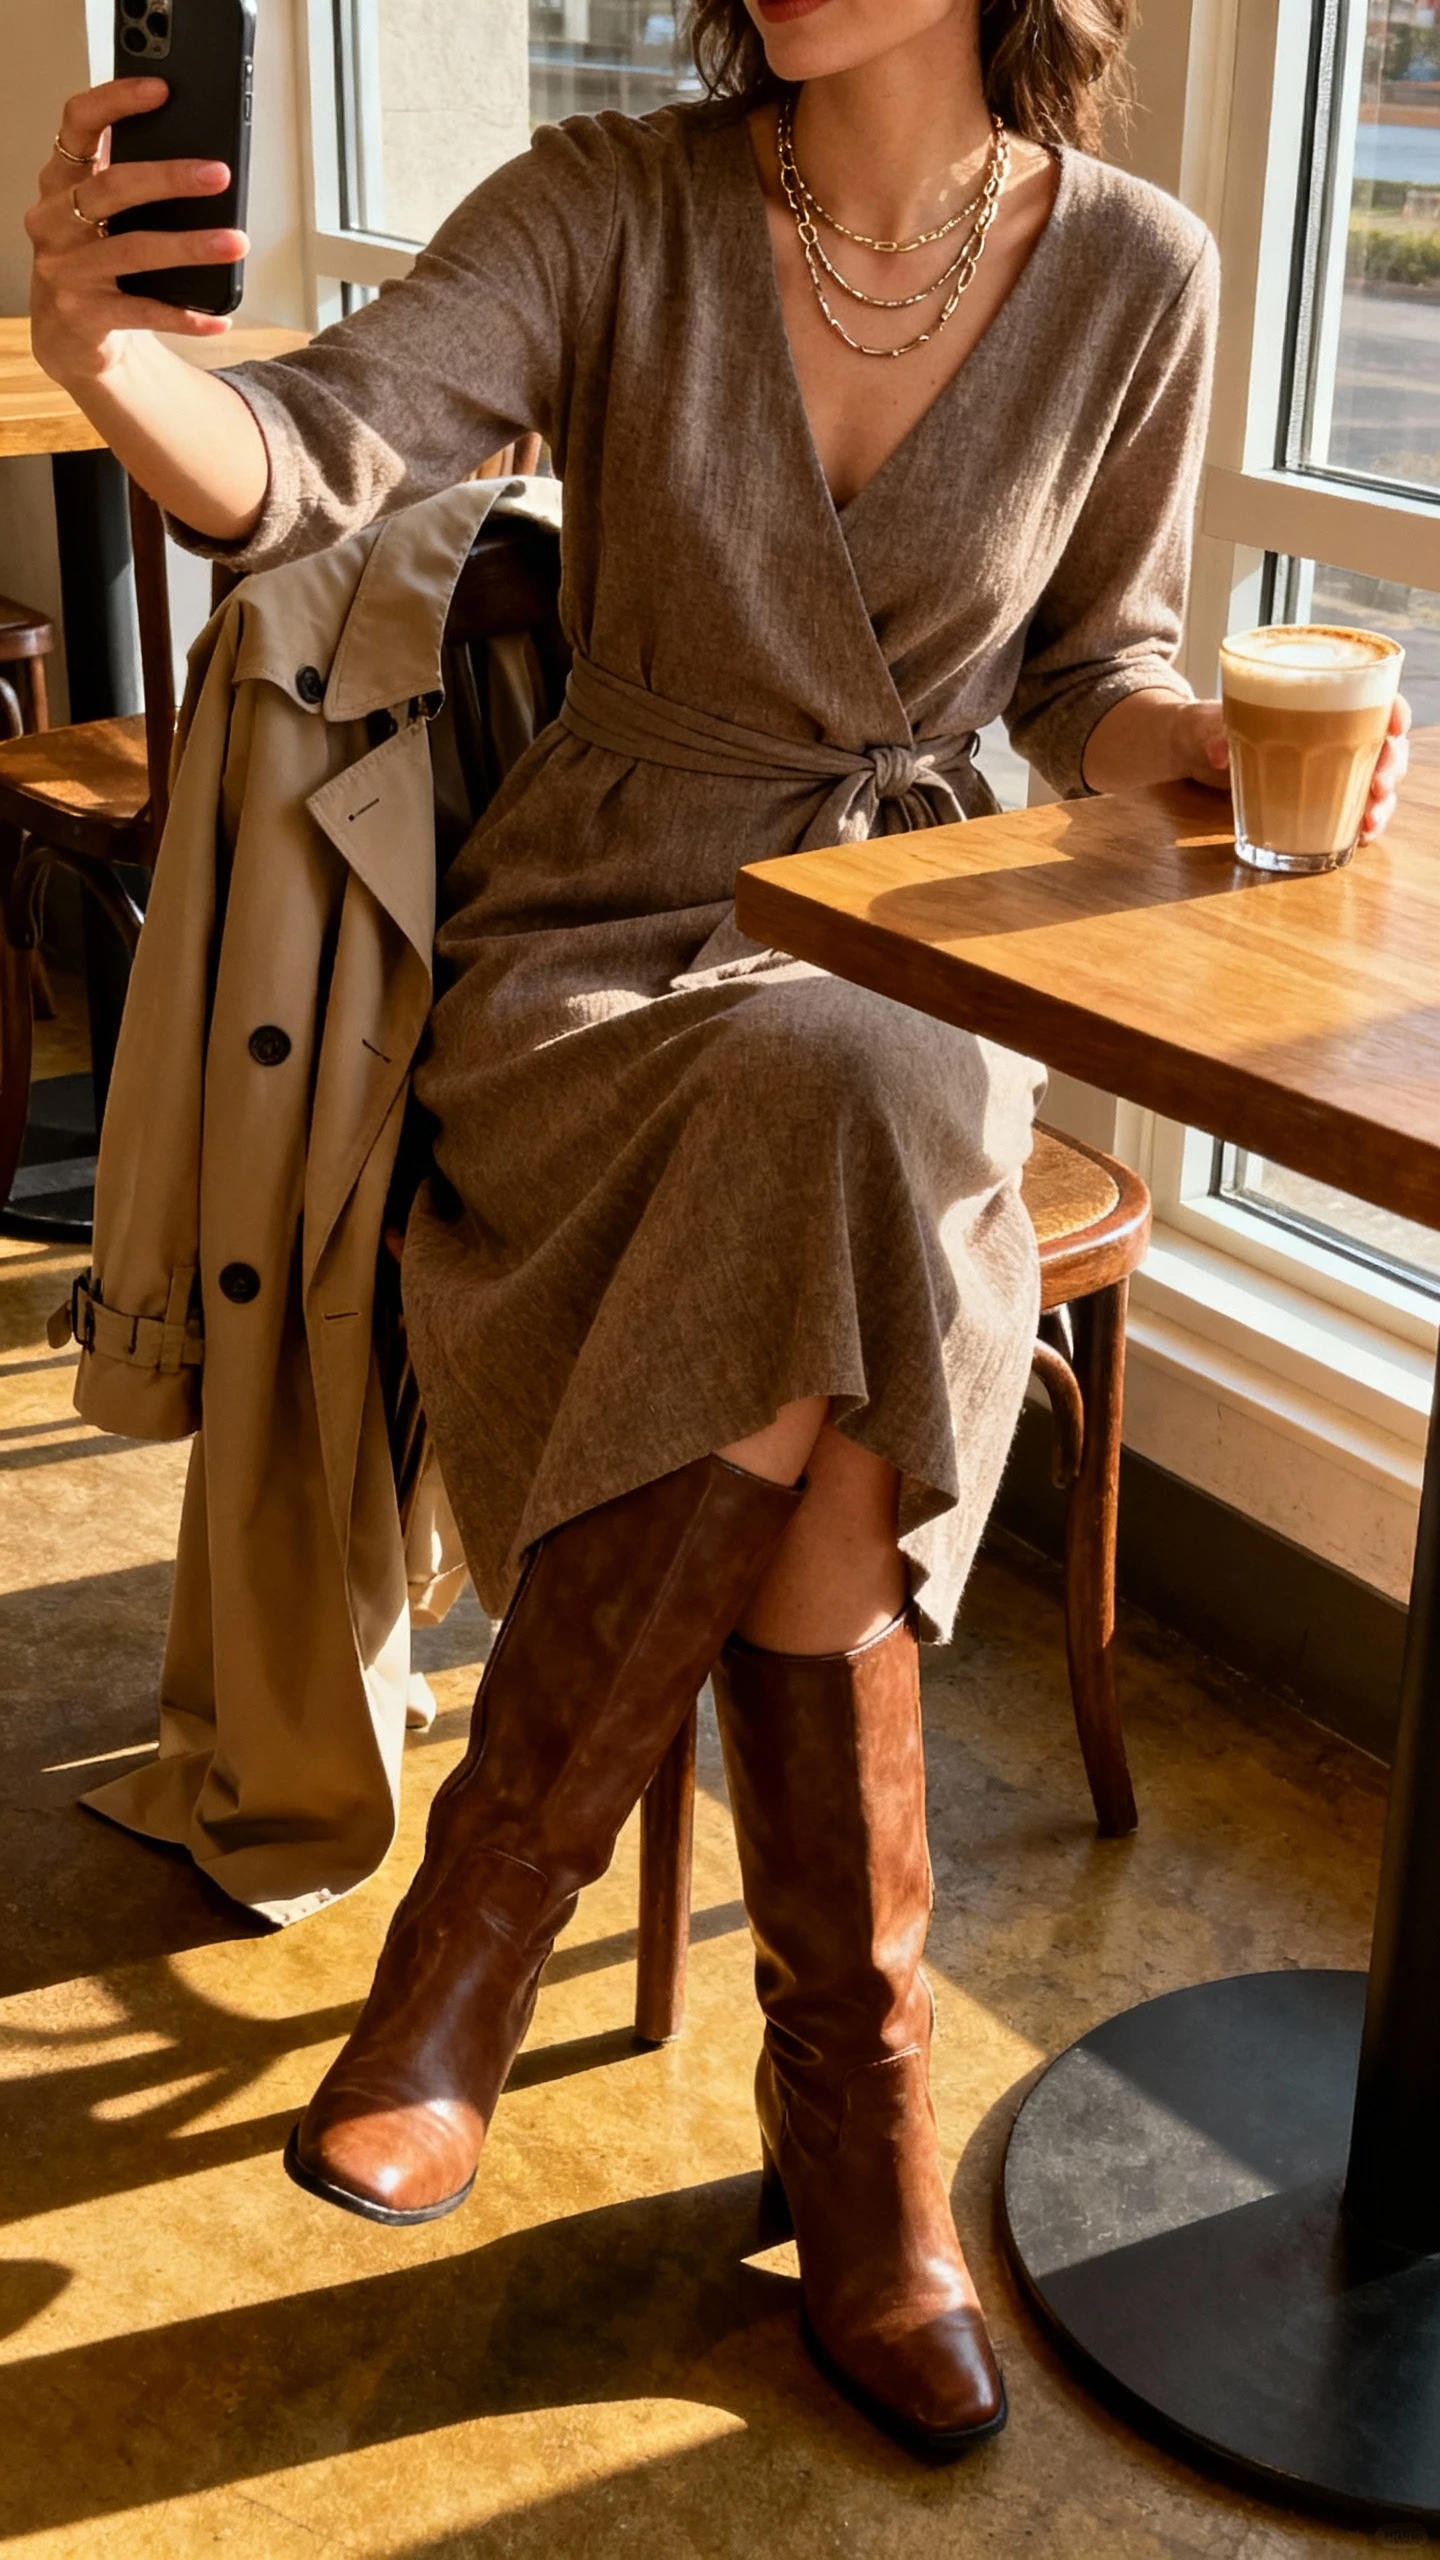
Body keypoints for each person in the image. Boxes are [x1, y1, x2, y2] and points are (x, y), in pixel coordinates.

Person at [28, 0, 1410, 2462]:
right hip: (589, 967)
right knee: (847, 1203)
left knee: (857, 1086)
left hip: (907, 956)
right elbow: (320, 447)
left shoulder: (1148, 271)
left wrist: (1173, 739)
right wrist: (121, 365)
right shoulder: (613, 207)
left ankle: (484, 1944)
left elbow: (1093, 661)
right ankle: (858, 2140)